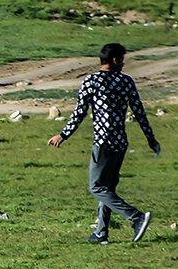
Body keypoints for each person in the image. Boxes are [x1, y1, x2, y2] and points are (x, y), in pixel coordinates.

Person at [48, 43, 159, 244]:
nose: (124, 63)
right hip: (120, 143)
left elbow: (80, 112)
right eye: (123, 59)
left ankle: (136, 217)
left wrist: (63, 135)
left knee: (96, 187)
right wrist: (151, 139)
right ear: (115, 60)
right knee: (108, 188)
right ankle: (101, 232)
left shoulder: (91, 81)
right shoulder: (126, 81)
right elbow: (139, 112)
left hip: (103, 141)